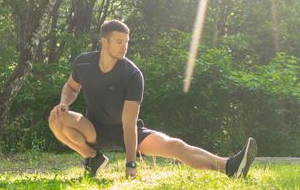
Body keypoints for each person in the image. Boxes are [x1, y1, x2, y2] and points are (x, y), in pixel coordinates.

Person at [48, 19, 256, 178]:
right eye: (119, 42)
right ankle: (92, 158)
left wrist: (130, 164)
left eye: (126, 42)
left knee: (176, 147)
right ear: (104, 42)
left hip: (127, 132)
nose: (124, 47)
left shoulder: (132, 74)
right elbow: (71, 87)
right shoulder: (83, 63)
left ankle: (229, 166)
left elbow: (129, 123)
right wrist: (63, 104)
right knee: (57, 119)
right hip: (93, 129)